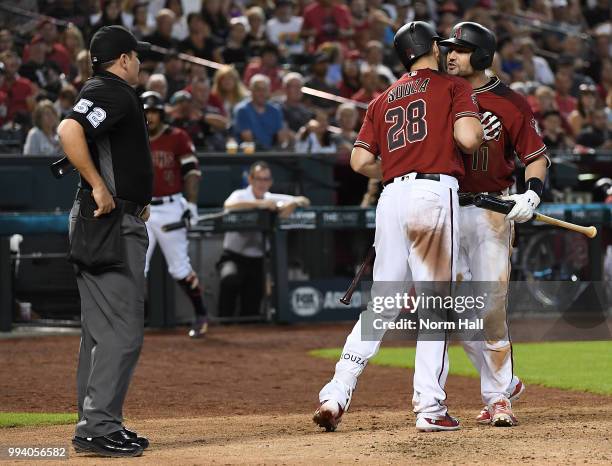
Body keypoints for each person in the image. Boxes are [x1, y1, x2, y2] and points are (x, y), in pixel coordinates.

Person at [313, 21, 483, 433]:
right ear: (430, 48)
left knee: (382, 304)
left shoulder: (381, 99)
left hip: (391, 198)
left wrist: (398, 164)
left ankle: (336, 392)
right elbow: (470, 138)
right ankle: (429, 405)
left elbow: (358, 161)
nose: (446, 51)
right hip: (431, 193)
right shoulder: (451, 86)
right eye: (440, 46)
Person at [441, 21, 549, 427]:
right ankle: (505, 381)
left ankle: (498, 397)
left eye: (461, 49)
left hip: (491, 212)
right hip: (446, 209)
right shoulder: (441, 94)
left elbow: (535, 156)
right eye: (449, 48)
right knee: (448, 310)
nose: (451, 55)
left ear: (482, 56)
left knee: (490, 308)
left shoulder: (510, 101)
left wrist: (531, 193)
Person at [57, 25, 152, 457]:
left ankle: (94, 423)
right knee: (121, 330)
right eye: (137, 56)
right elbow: (68, 130)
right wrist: (99, 185)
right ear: (125, 59)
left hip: (103, 220)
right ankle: (97, 427)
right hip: (108, 223)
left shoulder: (104, 89)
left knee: (99, 333)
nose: (141, 63)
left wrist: (131, 194)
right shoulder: (112, 90)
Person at [141, 91, 209, 338]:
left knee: (180, 268)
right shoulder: (134, 138)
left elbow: (192, 172)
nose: (150, 116)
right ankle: (132, 321)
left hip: (171, 207)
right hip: (142, 209)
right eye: (146, 111)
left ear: (162, 114)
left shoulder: (177, 137)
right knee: (137, 267)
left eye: (154, 112)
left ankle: (201, 315)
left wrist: (191, 205)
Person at [218, 161, 310, 318]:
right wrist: (261, 204)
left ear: (271, 182)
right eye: (259, 179)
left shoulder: (271, 197)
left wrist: (291, 204)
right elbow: (229, 205)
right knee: (229, 280)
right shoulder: (241, 195)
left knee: (252, 307)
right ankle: (224, 324)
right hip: (234, 256)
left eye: (266, 179)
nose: (262, 183)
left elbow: (304, 200)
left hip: (258, 260)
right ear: (250, 180)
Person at [233, 74, 291, 150]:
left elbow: (281, 138)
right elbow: (248, 139)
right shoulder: (242, 110)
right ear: (251, 90)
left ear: (269, 91)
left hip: (272, 155)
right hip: (249, 155)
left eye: (265, 90)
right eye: (258, 89)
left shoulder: (275, 110)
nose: (261, 93)